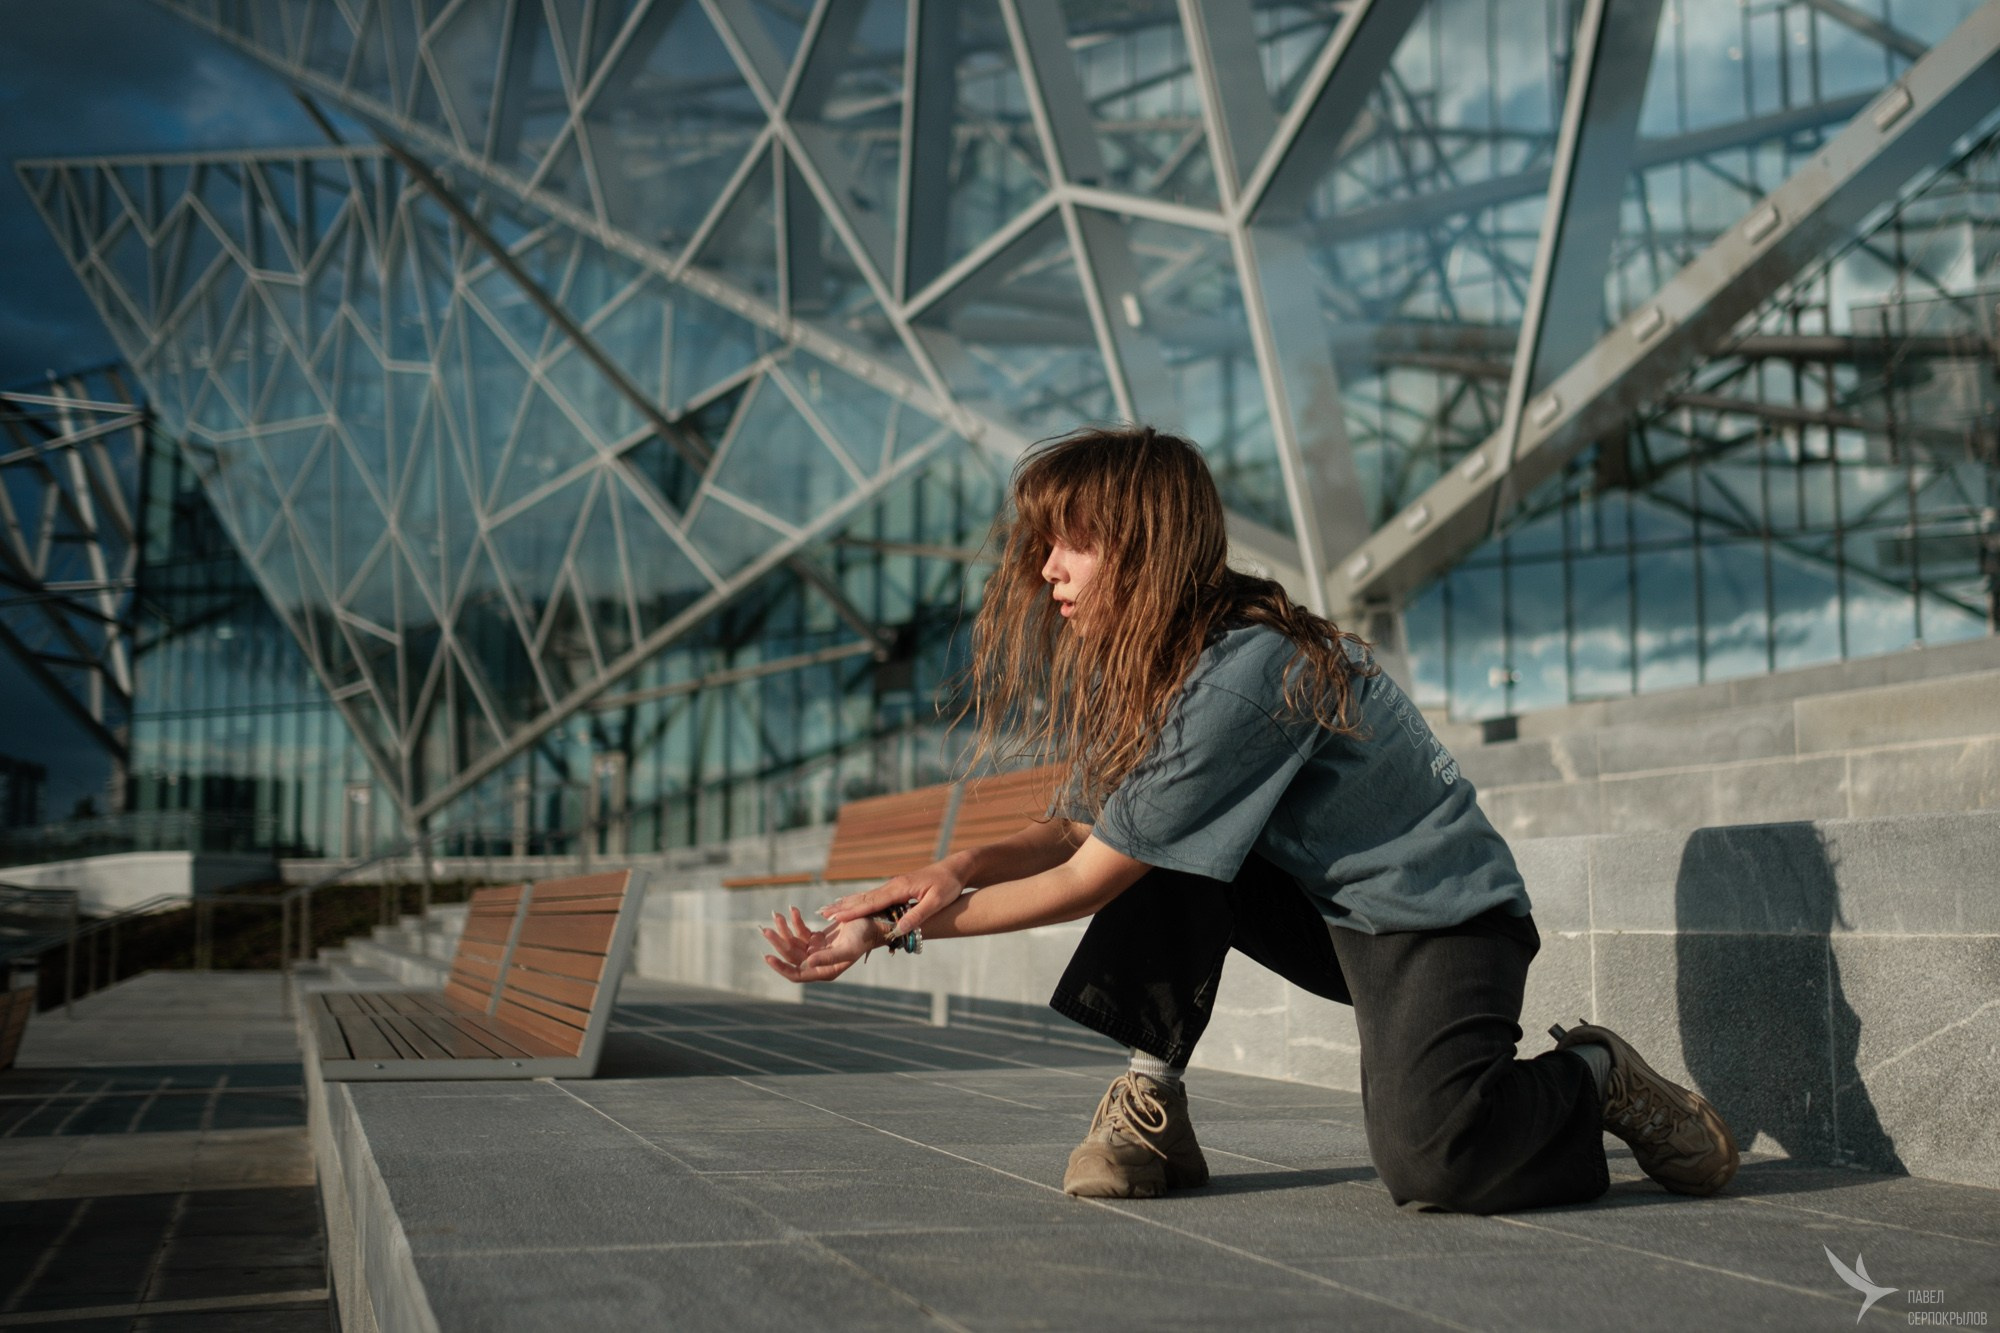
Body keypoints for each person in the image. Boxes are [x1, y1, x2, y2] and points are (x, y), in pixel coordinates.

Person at [760, 426, 1738, 1212]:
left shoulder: (1245, 672)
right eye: (1042, 545)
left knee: (1437, 1165)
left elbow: (1084, 879)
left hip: (1438, 914)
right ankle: (1151, 1102)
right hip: (1324, 909)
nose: (1047, 568)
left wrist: (890, 930)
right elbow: (1070, 828)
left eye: (1071, 542)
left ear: (1141, 545)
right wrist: (953, 867)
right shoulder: (1153, 661)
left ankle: (1592, 1074)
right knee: (1160, 840)